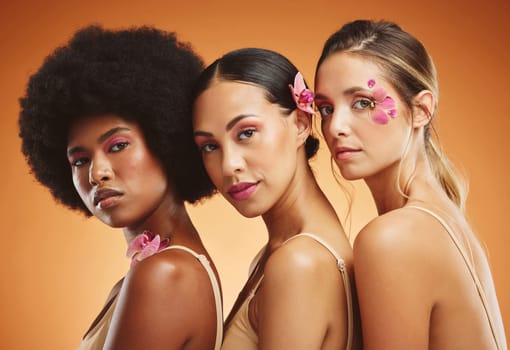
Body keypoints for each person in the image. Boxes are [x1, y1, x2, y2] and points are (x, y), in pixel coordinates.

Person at [18, 25, 223, 350]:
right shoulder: (160, 270)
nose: (97, 173)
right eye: (80, 160)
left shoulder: (163, 275)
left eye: (117, 146)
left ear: (165, 139)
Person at [314, 19, 507, 350]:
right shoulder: (442, 218)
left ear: (420, 110)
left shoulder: (394, 239)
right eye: (326, 108)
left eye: (362, 102)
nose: (335, 127)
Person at [192, 48, 361, 350]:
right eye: (209, 146)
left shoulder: (299, 263)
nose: (229, 165)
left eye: (246, 133)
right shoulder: (280, 253)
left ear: (300, 124)